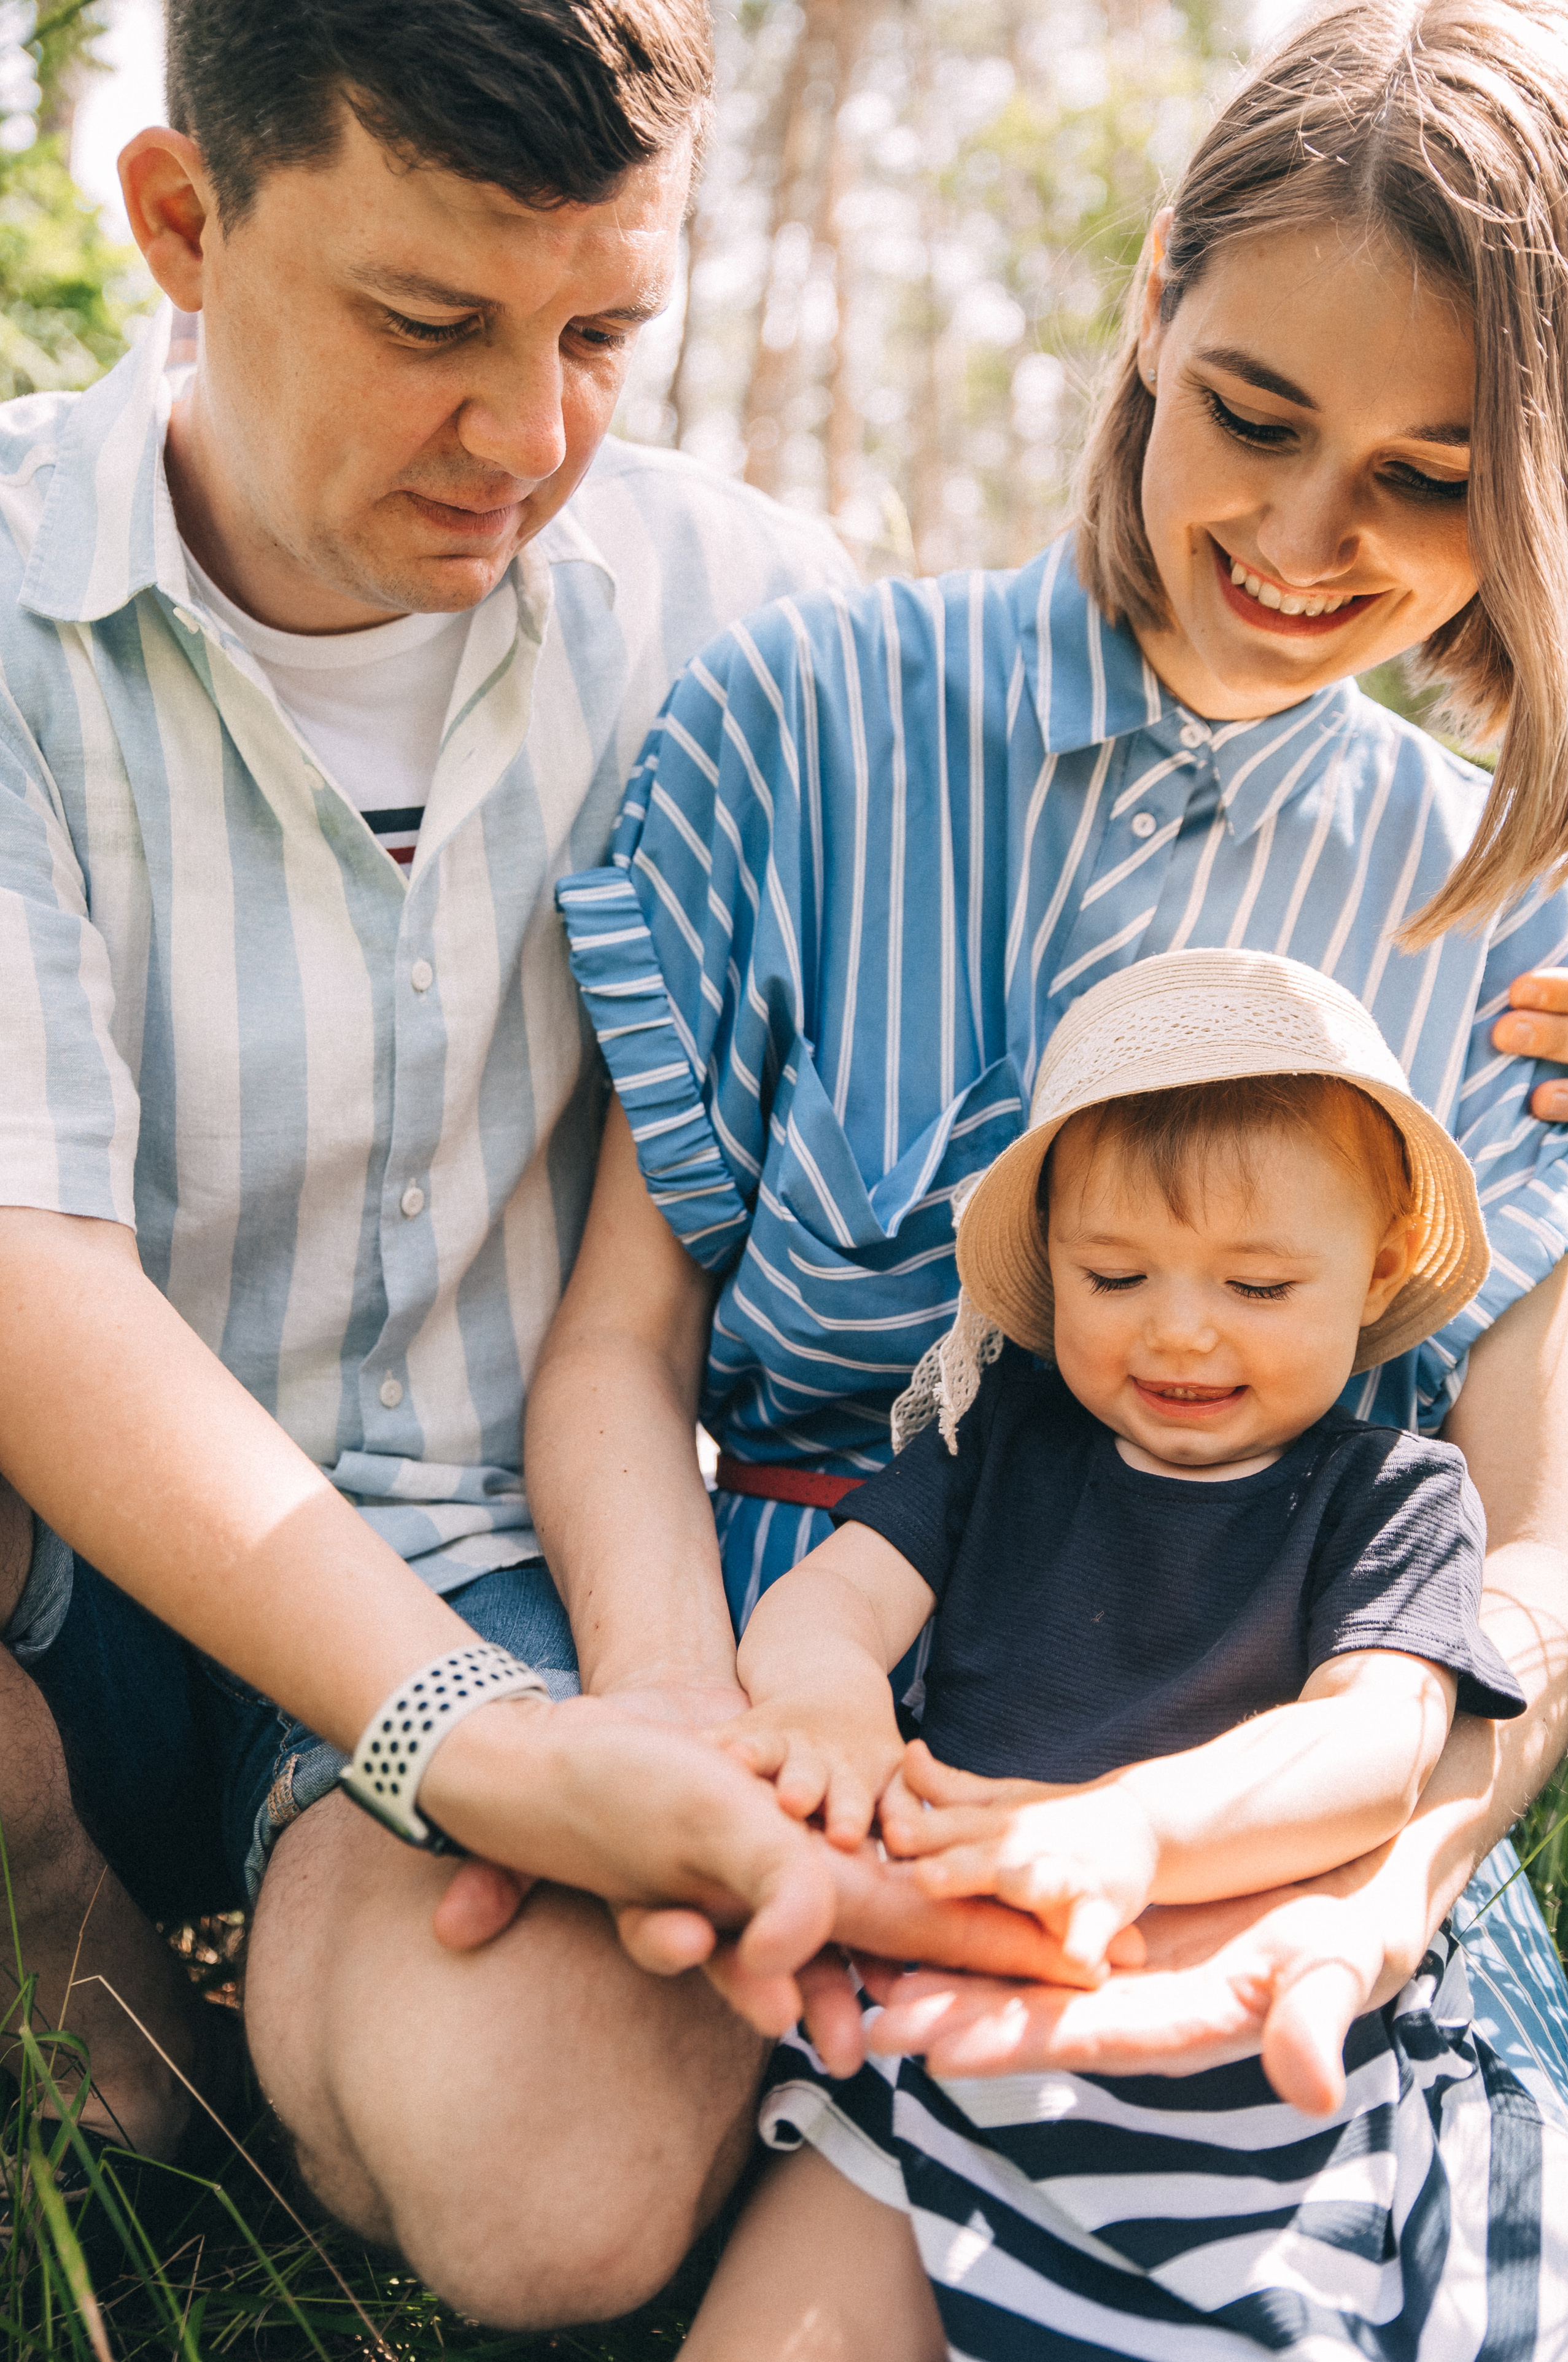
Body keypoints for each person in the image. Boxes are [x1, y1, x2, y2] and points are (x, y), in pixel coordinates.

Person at [0, 0, 1081, 2325]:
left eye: (606, 329)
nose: (530, 432)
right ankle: (92, 1946)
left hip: (507, 1552)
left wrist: (1450, 999)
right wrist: (460, 1749)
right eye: (429, 324)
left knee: (554, 2198)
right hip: (56, 1576)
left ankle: (237, 2017)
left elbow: (1146, 819)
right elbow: (27, 1277)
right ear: (185, 220)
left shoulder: (768, 625)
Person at [545, 0, 1568, 2346]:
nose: (1307, 546)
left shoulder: (1505, 915)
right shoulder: (804, 722)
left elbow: (1527, 1550)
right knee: (586, 2199)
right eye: (1256, 414)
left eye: (1428, 482)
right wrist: (698, 1726)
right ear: (1150, 311)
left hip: (1277, 1746)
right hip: (802, 1687)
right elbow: (624, 1342)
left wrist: (1394, 1857)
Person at [681, 947, 1562, 2357]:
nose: (1178, 1326)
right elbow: (835, 1596)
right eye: (1114, 1272)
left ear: (1378, 1264)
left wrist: (1132, 1831)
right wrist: (826, 1702)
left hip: (1238, 2030)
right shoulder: (1004, 1439)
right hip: (949, 2009)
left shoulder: (1386, 1491)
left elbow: (1374, 1739)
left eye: (1260, 1286)